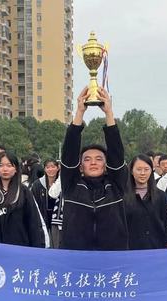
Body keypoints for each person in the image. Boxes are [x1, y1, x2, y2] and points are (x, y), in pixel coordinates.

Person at [59, 86, 128, 251]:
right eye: (87, 159)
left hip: (111, 256)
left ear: (106, 165)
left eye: (99, 159)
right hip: (77, 256)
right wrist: (79, 112)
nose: (93, 162)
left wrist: (109, 113)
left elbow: (117, 154)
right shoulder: (71, 186)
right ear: (80, 166)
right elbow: (69, 154)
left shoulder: (115, 186)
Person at [0, 152, 46, 248]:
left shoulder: (24, 192)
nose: (5, 169)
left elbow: (33, 223)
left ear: (16, 169)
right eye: (1, 165)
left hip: (19, 247)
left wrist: (37, 248)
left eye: (9, 165)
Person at [125, 155, 167, 250]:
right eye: (139, 169)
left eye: (146, 169)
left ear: (151, 171)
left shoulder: (161, 196)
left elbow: (164, 223)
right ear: (131, 171)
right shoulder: (124, 196)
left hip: (156, 248)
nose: (142, 173)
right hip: (131, 249)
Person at [31, 159, 60, 236]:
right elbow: (33, 203)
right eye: (48, 167)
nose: (50, 169)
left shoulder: (61, 184)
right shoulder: (37, 184)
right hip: (42, 216)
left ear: (58, 168)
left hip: (57, 218)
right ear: (44, 169)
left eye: (53, 167)